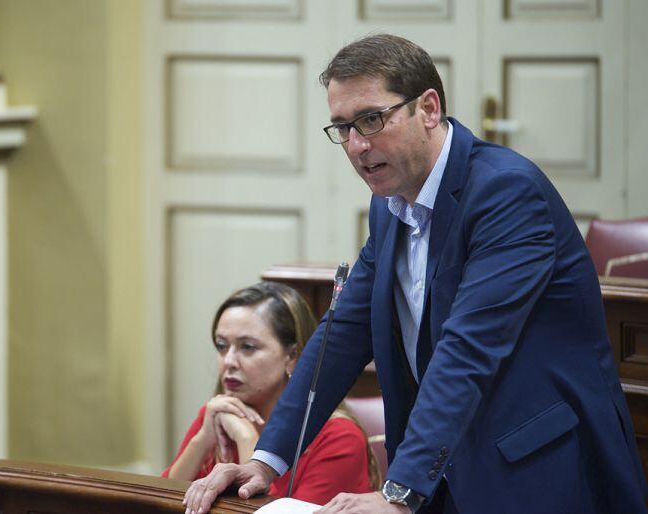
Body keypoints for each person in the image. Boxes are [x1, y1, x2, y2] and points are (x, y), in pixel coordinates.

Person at [182, 34, 648, 514]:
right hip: (447, 468)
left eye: (371, 119)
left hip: (536, 472)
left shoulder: (507, 193)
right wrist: (266, 460)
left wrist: (399, 491)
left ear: (428, 108)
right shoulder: (389, 205)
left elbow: (467, 349)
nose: (357, 145)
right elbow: (342, 332)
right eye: (343, 127)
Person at [164, 281, 378, 505]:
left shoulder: (339, 437)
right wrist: (202, 440)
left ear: (293, 357)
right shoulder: (219, 413)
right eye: (221, 345)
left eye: (248, 347)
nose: (229, 361)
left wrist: (248, 440)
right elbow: (156, 502)